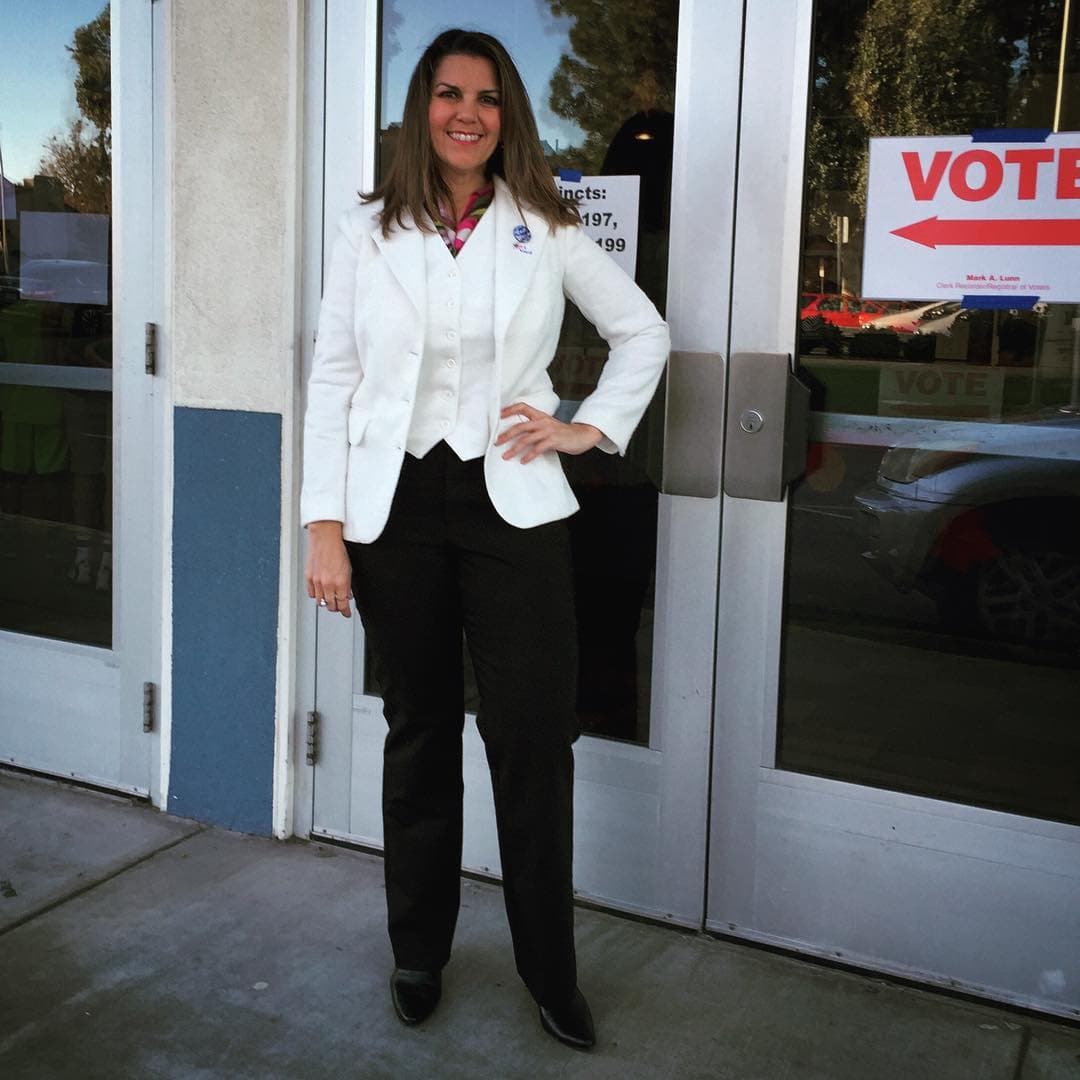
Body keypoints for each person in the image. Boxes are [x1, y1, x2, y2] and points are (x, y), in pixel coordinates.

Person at [301, 28, 668, 1051]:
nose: (469, 112)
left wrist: (588, 425)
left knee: (533, 744)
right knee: (418, 733)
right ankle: (417, 950)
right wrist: (323, 524)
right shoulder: (366, 229)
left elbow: (643, 330)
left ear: (509, 116)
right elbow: (333, 378)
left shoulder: (543, 225)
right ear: (423, 107)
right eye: (450, 93)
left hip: (514, 504)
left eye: (489, 97)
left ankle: (550, 970)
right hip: (396, 511)